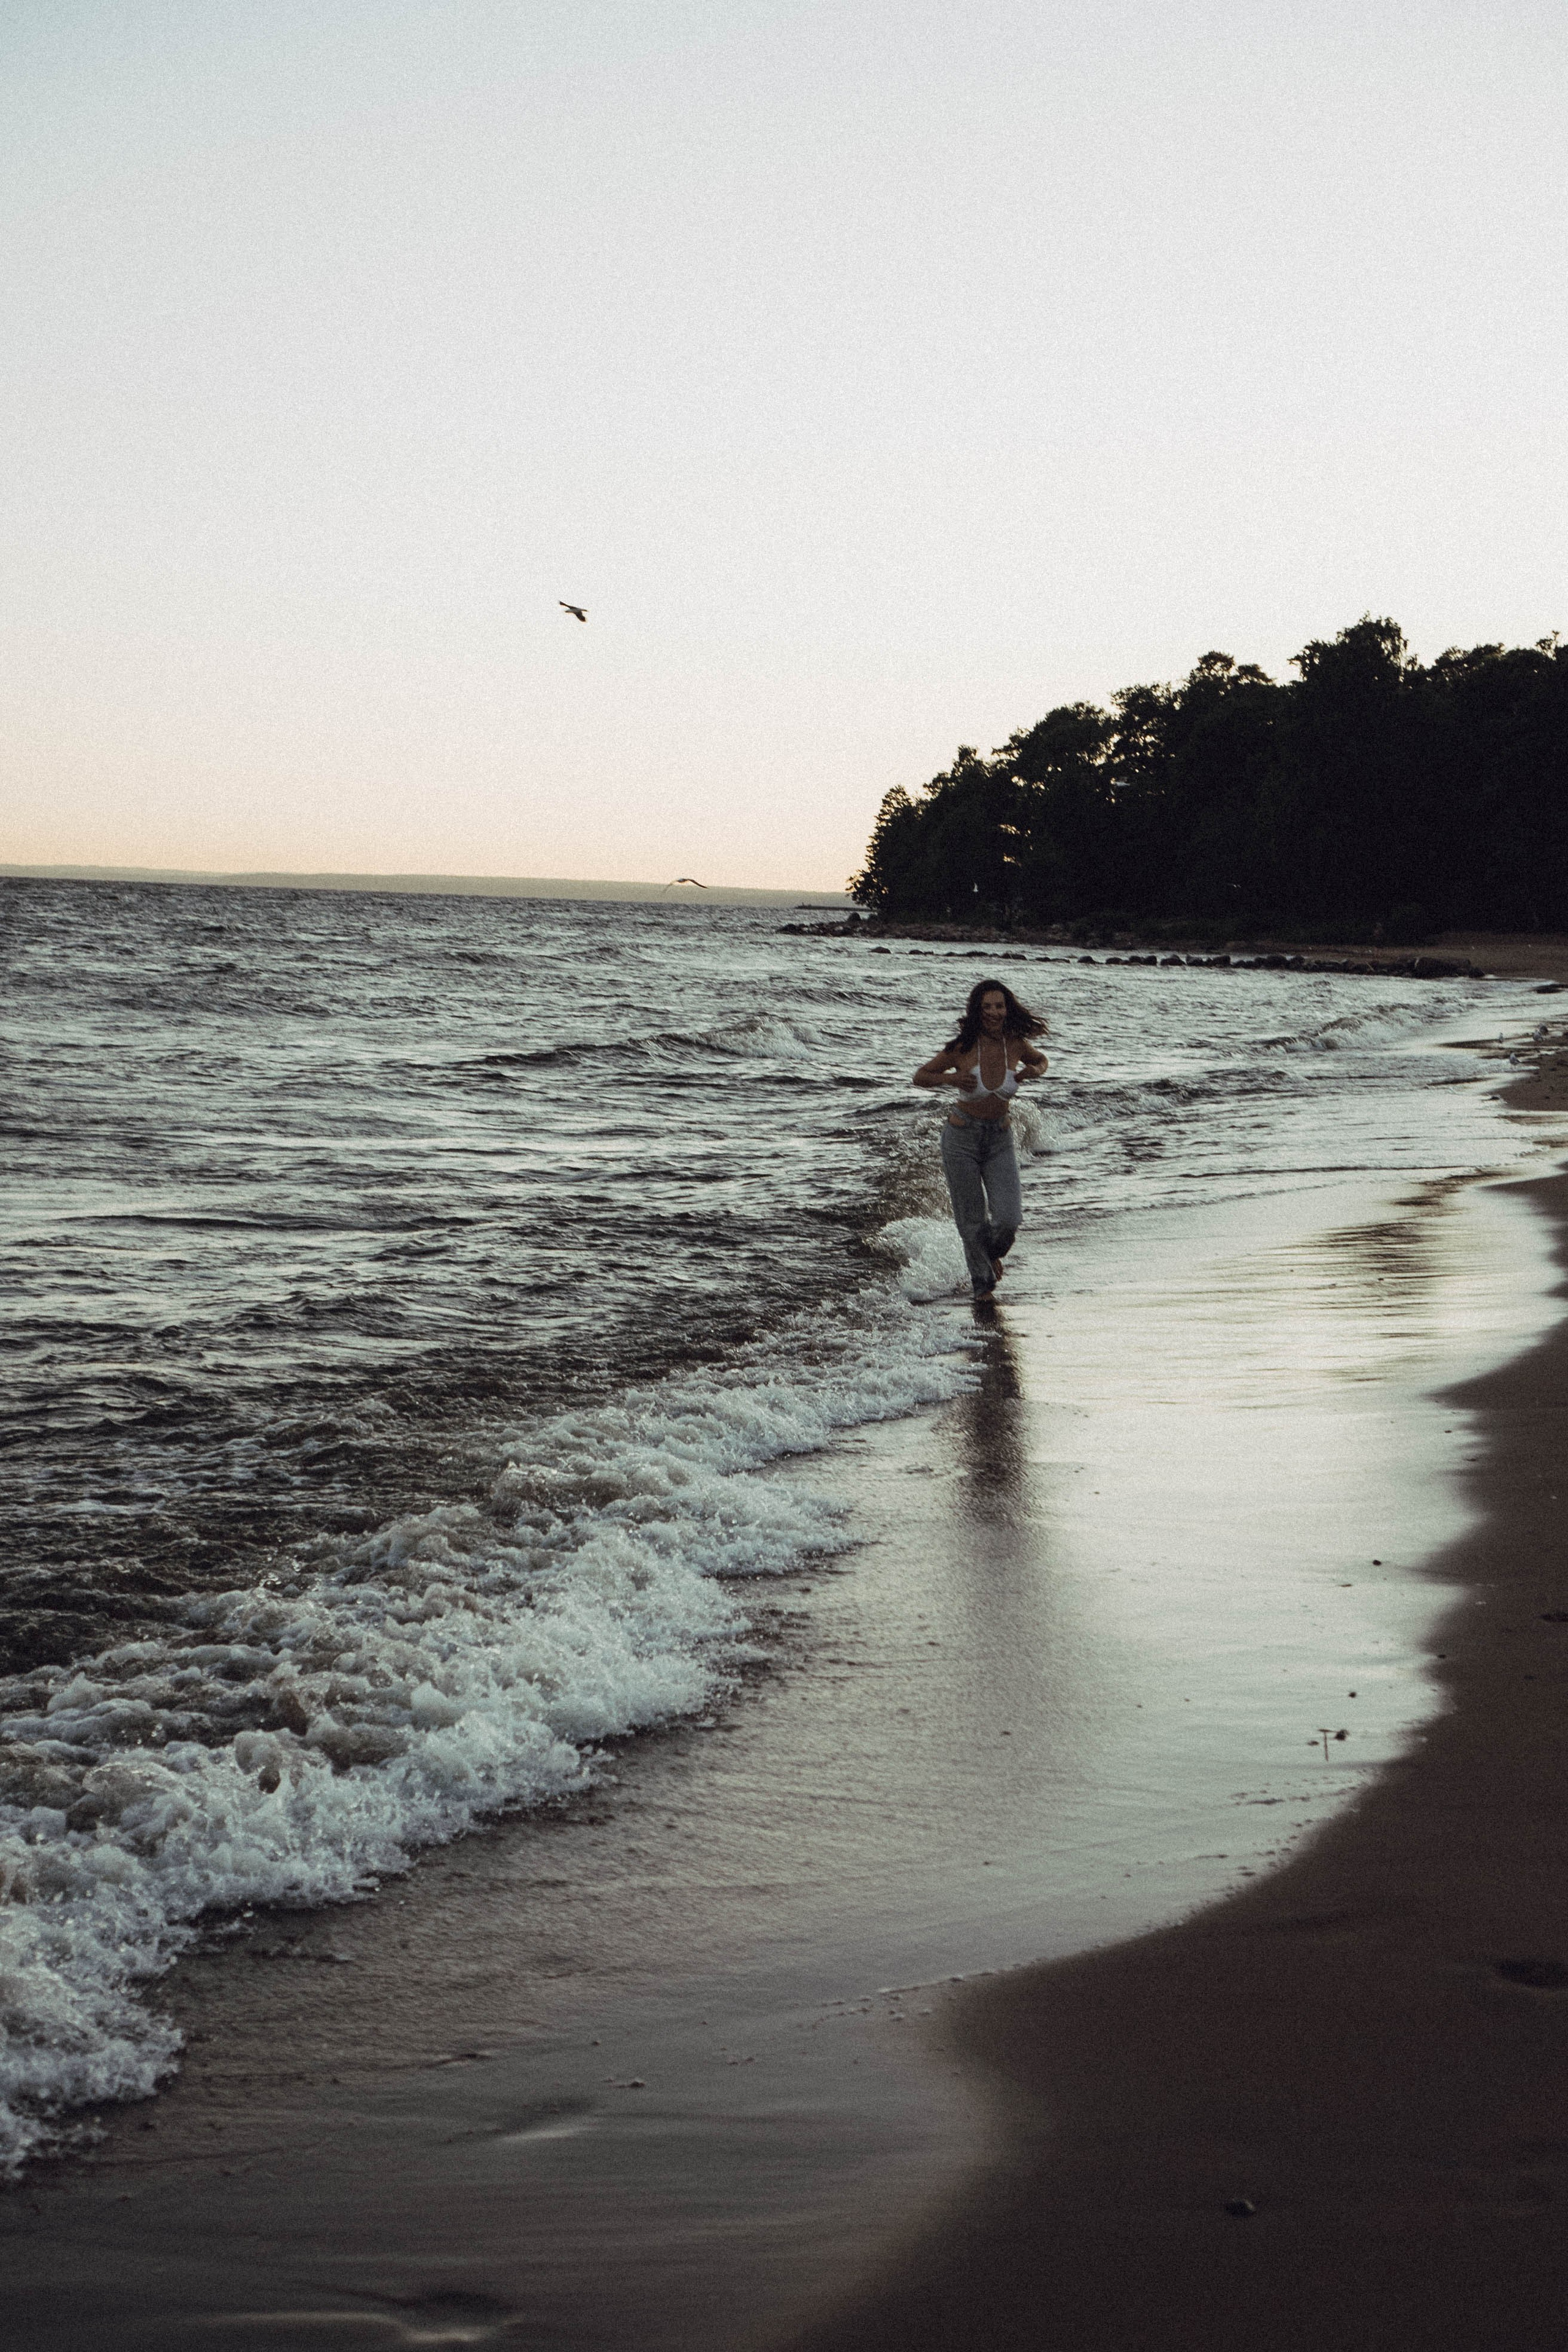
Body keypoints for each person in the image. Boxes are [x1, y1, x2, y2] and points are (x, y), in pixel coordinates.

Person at [913, 978, 1049, 1298]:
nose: (994, 1012)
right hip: (961, 1138)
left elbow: (1041, 1060)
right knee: (971, 1221)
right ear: (977, 1010)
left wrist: (1035, 1072)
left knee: (1009, 1219)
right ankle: (982, 1288)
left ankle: (989, 1256)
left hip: (1000, 1138)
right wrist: (952, 1079)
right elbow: (920, 1077)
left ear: (1007, 1009)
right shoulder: (962, 1047)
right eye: (987, 1007)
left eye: (999, 1006)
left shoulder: (1015, 1043)